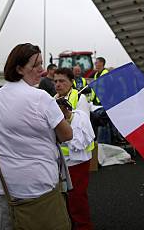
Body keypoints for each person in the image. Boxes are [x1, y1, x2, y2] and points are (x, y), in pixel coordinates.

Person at [0, 43, 73, 230]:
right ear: (19, 68)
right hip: (35, 187)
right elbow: (66, 135)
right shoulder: (41, 98)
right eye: (36, 65)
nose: (43, 70)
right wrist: (65, 117)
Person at [56, 96, 94, 230]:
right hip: (60, 160)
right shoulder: (52, 99)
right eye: (55, 81)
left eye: (62, 81)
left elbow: (80, 134)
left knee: (77, 197)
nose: (58, 84)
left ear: (71, 81)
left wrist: (68, 116)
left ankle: (83, 226)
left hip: (78, 159)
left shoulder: (79, 97)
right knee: (64, 197)